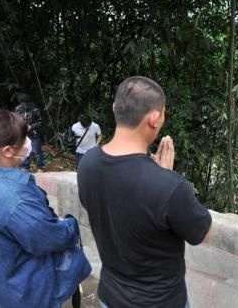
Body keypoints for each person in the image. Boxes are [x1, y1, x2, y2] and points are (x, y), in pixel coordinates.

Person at [77, 76, 212, 308]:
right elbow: (203, 233)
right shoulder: (169, 186)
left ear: (114, 109)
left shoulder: (87, 163)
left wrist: (162, 178)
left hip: (110, 297)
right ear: (154, 118)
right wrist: (166, 176)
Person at [0, 110, 91, 308]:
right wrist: (70, 224)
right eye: (24, 139)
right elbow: (48, 239)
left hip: (3, 284)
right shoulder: (14, 198)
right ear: (7, 151)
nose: (28, 144)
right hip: (31, 293)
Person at [14, 93, 44, 172]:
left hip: (34, 134)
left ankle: (40, 167)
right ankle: (25, 167)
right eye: (22, 103)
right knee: (24, 150)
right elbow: (15, 120)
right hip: (23, 134)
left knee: (37, 151)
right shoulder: (18, 109)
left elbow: (40, 122)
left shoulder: (35, 109)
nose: (24, 104)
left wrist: (31, 126)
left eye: (25, 103)